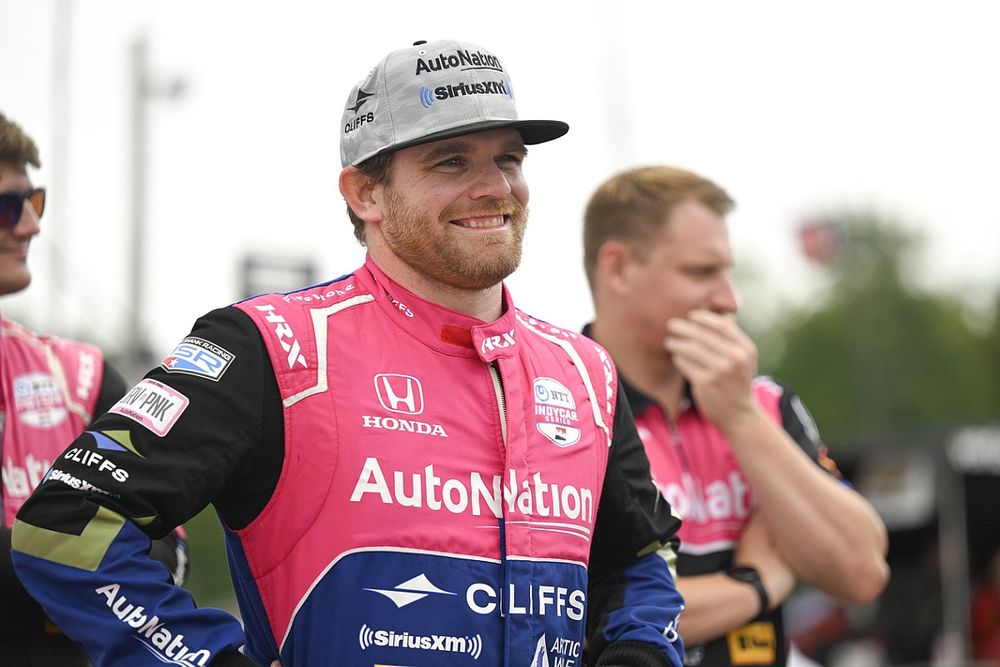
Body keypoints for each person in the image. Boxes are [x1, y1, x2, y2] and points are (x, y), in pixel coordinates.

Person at [11, 40, 686, 667]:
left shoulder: (583, 369)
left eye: (507, 158)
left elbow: (642, 556)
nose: (494, 186)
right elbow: (67, 527)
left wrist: (644, 653)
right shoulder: (272, 345)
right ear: (366, 194)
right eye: (452, 161)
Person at [581, 165, 890, 666]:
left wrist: (741, 418)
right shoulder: (559, 408)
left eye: (727, 271)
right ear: (618, 268)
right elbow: (577, 616)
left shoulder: (764, 401)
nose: (729, 299)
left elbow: (861, 572)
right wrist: (756, 584)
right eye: (701, 272)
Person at [0, 112, 188, 664]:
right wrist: (79, 569)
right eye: (9, 207)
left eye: (35, 203)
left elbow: (164, 550)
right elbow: (117, 562)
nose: (31, 227)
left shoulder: (79, 376)